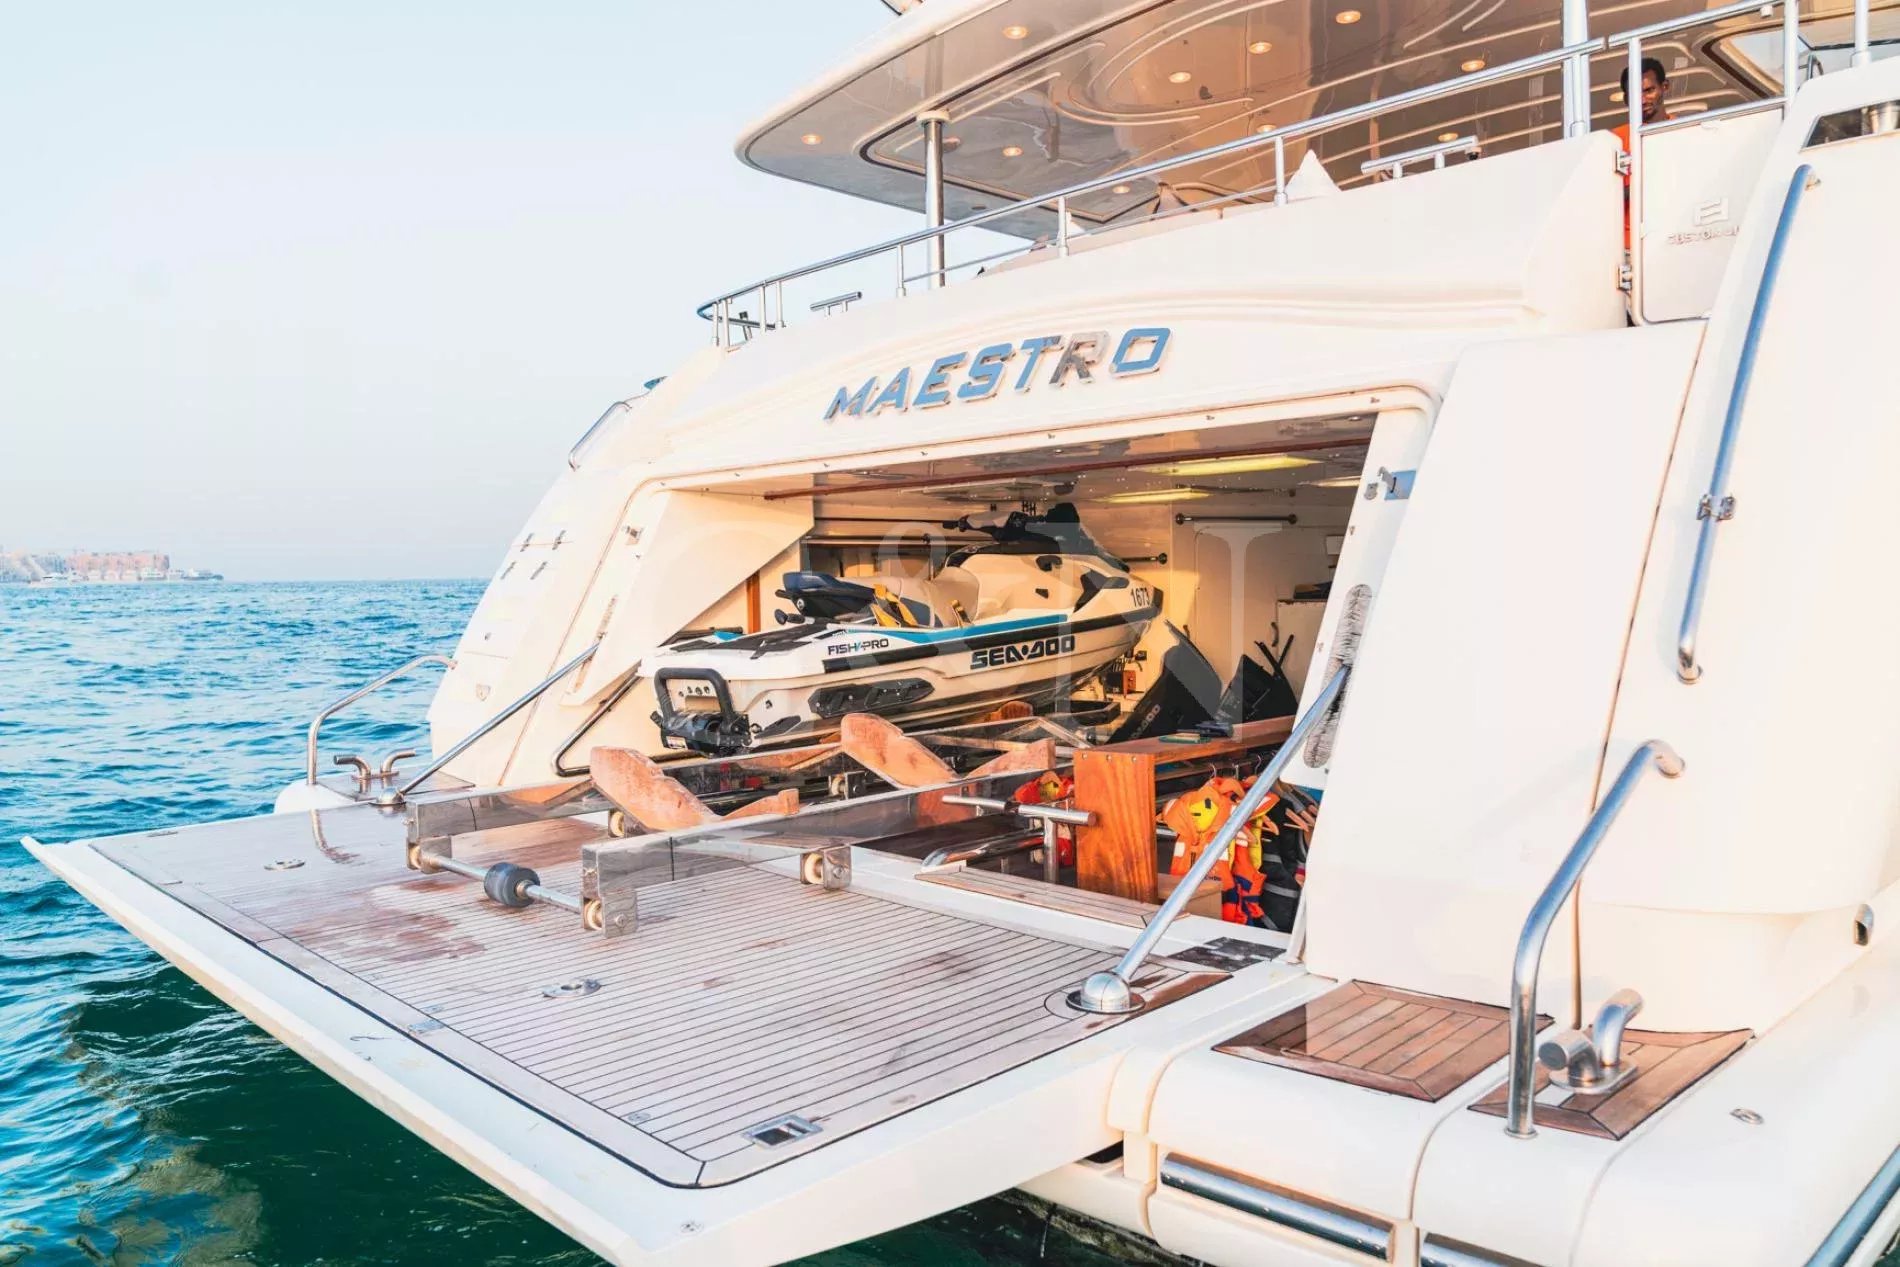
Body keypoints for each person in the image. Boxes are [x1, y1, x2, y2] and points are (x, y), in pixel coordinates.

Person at [1611, 57, 1673, 247]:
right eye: (1634, 94)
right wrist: (1643, 183)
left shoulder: (1685, 131)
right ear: (1626, 99)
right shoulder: (1615, 140)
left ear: (1664, 87)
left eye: (1648, 90)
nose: (1642, 100)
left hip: (1674, 238)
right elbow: (1602, 199)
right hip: (1629, 247)